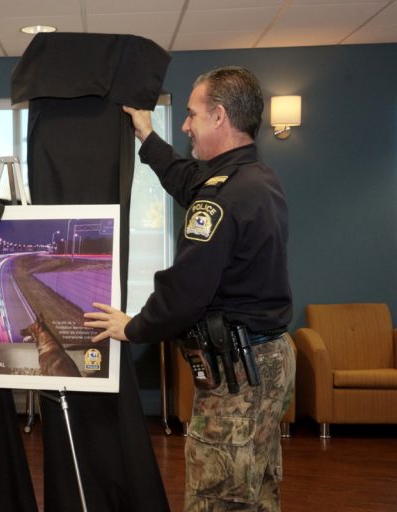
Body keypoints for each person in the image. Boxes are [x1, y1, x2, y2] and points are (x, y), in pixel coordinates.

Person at [85, 66, 295, 511]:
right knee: (255, 486)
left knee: (220, 495)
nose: (185, 125)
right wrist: (146, 135)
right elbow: (188, 179)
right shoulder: (255, 178)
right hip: (270, 359)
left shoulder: (221, 198)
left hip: (239, 373)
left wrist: (133, 327)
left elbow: (184, 293)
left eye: (191, 115)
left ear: (219, 117)